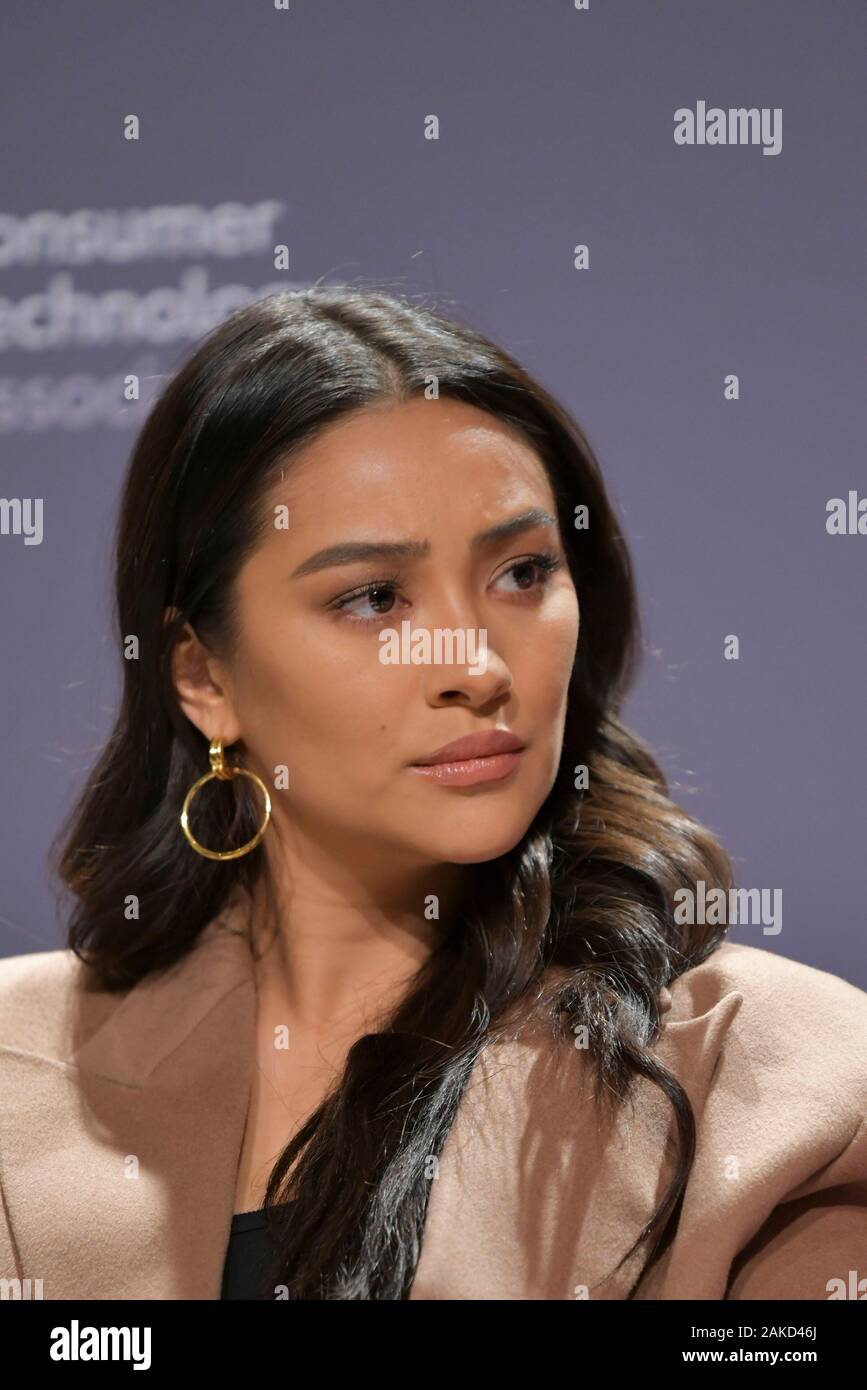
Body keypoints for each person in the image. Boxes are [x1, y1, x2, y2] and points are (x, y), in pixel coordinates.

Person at [1, 286, 865, 1301]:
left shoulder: (778, 1086)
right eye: (373, 598)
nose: (476, 663)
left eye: (523, 572)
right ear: (204, 676)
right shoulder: (18, 1072)